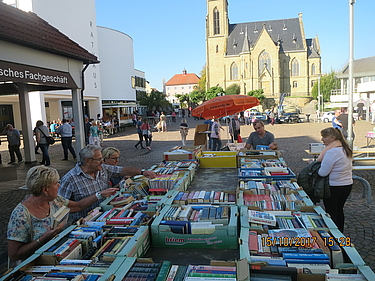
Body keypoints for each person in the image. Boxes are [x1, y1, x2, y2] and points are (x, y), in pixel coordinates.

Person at [7, 165, 118, 262]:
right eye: (56, 183)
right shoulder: (21, 214)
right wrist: (42, 239)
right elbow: (14, 255)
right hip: (38, 265)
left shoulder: (55, 200)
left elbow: (78, 206)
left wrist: (99, 194)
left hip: (62, 255)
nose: (59, 185)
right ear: (45, 190)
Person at [58, 145, 156, 222]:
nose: (102, 162)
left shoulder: (103, 169)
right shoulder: (69, 179)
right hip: (85, 221)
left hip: (107, 214)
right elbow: (61, 208)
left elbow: (123, 170)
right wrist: (98, 196)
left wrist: (142, 172)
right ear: (88, 161)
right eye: (99, 159)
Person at [317, 127, 353, 232]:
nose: (322, 139)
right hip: (347, 185)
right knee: (339, 210)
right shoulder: (345, 149)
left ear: (332, 138)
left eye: (324, 137)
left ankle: (333, 235)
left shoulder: (331, 152)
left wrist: (315, 165)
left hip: (333, 186)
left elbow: (323, 173)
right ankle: (340, 232)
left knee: (331, 212)